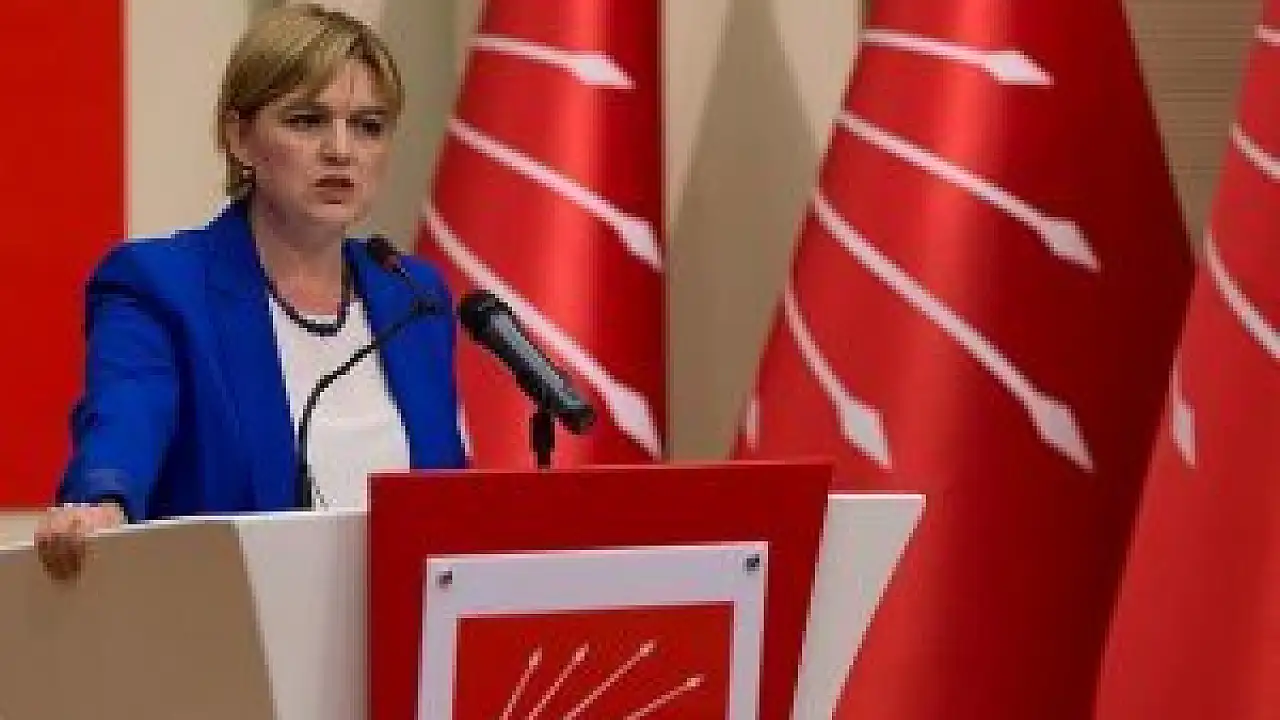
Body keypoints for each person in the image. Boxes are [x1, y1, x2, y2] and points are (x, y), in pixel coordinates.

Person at [35, 4, 465, 579]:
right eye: (307, 121)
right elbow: (128, 413)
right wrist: (102, 500)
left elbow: (447, 493)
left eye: (368, 126)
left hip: (398, 621)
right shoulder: (161, 285)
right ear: (240, 138)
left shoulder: (412, 296)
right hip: (229, 621)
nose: (341, 150)